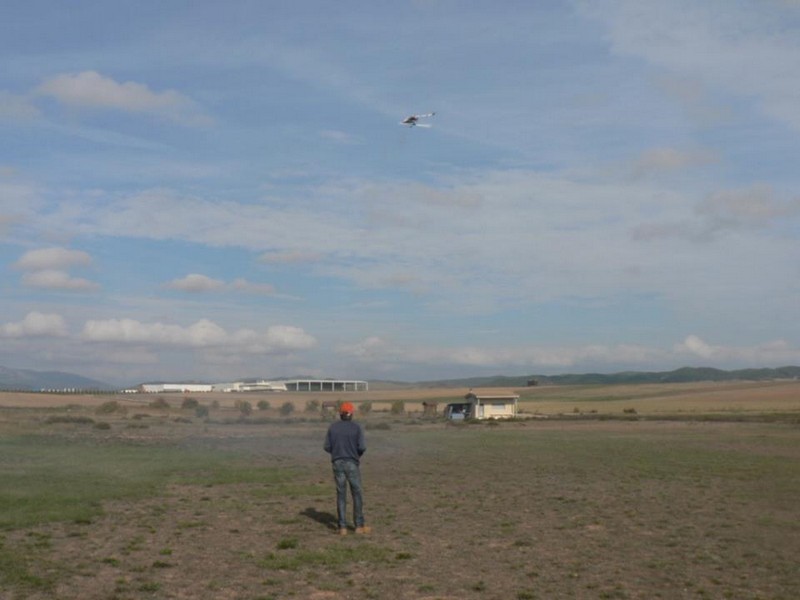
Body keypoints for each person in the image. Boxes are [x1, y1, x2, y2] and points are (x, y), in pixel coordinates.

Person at [323, 401, 370, 535]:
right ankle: (359, 526)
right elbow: (362, 447)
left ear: (340, 414)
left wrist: (337, 453)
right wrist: (355, 455)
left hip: (337, 463)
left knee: (341, 494)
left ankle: (342, 527)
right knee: (357, 494)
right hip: (352, 463)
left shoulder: (333, 427)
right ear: (351, 414)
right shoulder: (356, 428)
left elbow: (326, 446)